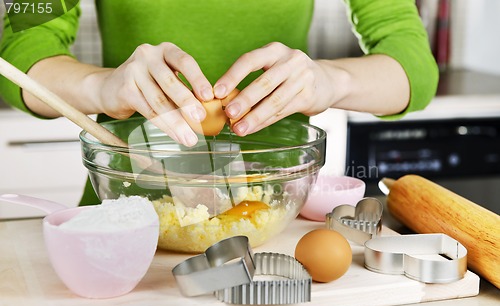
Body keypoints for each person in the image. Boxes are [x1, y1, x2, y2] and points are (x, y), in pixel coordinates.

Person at [0, 0, 438, 206]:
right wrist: (100, 88)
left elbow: (414, 67)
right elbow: (20, 44)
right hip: (125, 214)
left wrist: (332, 79)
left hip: (273, 218)